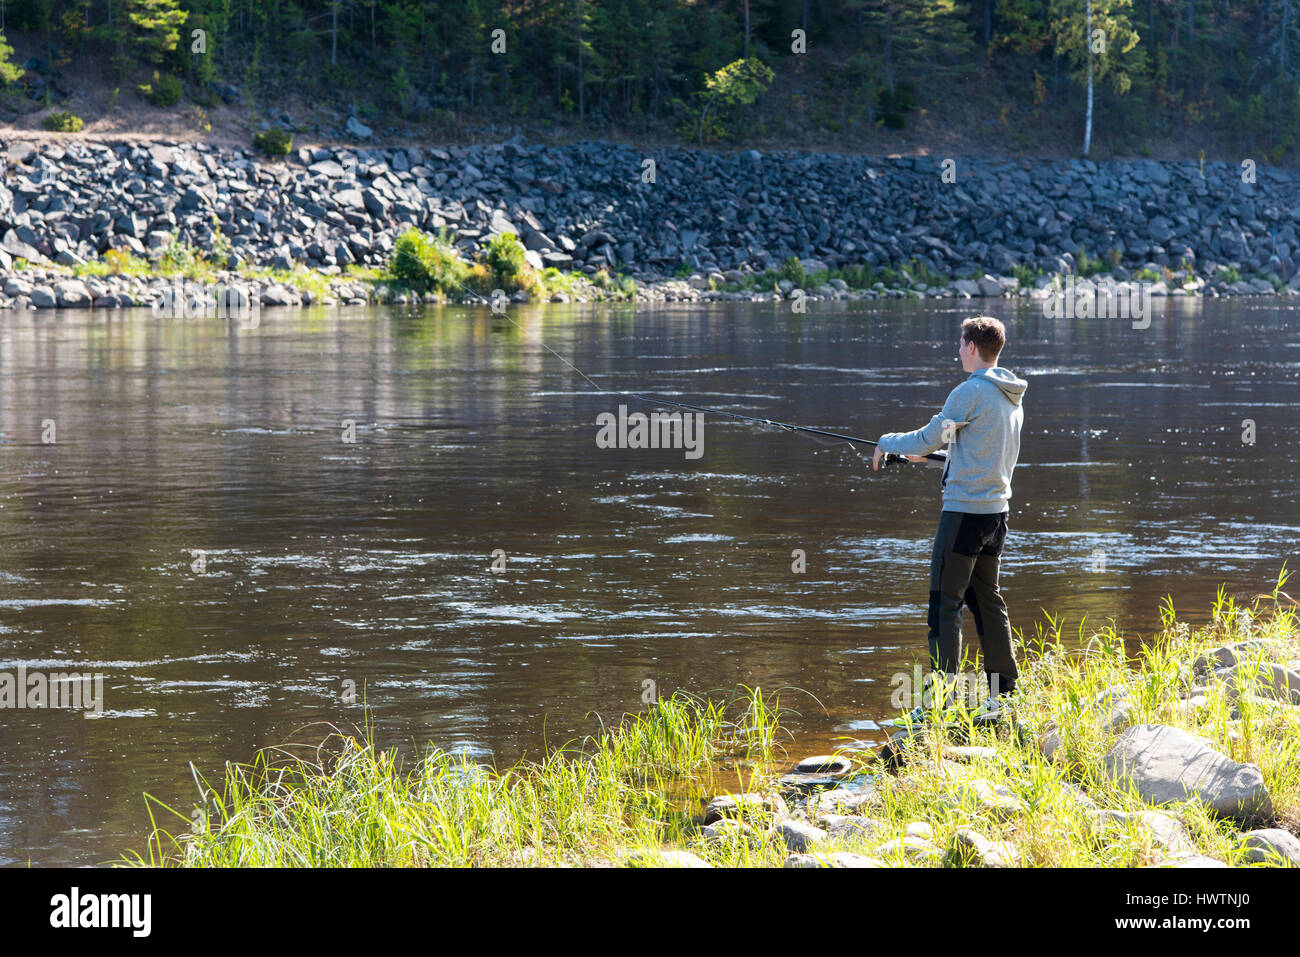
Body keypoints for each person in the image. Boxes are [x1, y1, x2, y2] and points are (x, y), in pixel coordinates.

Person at [871, 316, 1028, 725]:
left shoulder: (970, 391)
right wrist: (928, 458)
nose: (957, 350)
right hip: (995, 516)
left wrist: (887, 442)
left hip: (962, 516)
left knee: (945, 605)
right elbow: (972, 449)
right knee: (987, 601)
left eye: (961, 343)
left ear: (973, 347)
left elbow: (928, 436)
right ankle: (1004, 695)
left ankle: (939, 703)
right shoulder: (1010, 395)